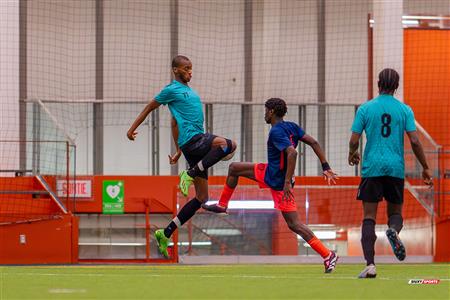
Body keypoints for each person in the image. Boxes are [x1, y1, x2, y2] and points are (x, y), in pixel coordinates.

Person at [203, 98, 339, 273]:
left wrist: (287, 182)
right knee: (234, 168)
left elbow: (292, 153)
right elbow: (313, 142)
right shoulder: (292, 127)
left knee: (294, 224)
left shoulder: (276, 132)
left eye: (266, 110)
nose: (264, 114)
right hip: (269, 172)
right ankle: (222, 205)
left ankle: (328, 255)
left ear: (272, 111)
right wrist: (325, 166)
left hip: (279, 183)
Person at [127, 55, 236, 258]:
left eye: (191, 68)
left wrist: (178, 150)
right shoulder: (170, 90)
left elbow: (173, 123)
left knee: (202, 198)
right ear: (175, 70)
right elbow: (149, 107)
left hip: (191, 145)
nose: (190, 72)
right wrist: (131, 129)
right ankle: (191, 172)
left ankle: (165, 232)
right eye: (186, 68)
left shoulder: (189, 92)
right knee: (229, 145)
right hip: (195, 140)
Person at [348, 68, 433, 278]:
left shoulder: (365, 109)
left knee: (369, 217)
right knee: (395, 214)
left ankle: (370, 265)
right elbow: (414, 140)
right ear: (396, 86)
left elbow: (354, 140)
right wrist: (425, 167)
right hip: (395, 169)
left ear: (378, 83)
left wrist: (353, 153)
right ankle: (394, 231)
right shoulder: (405, 110)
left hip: (372, 169)